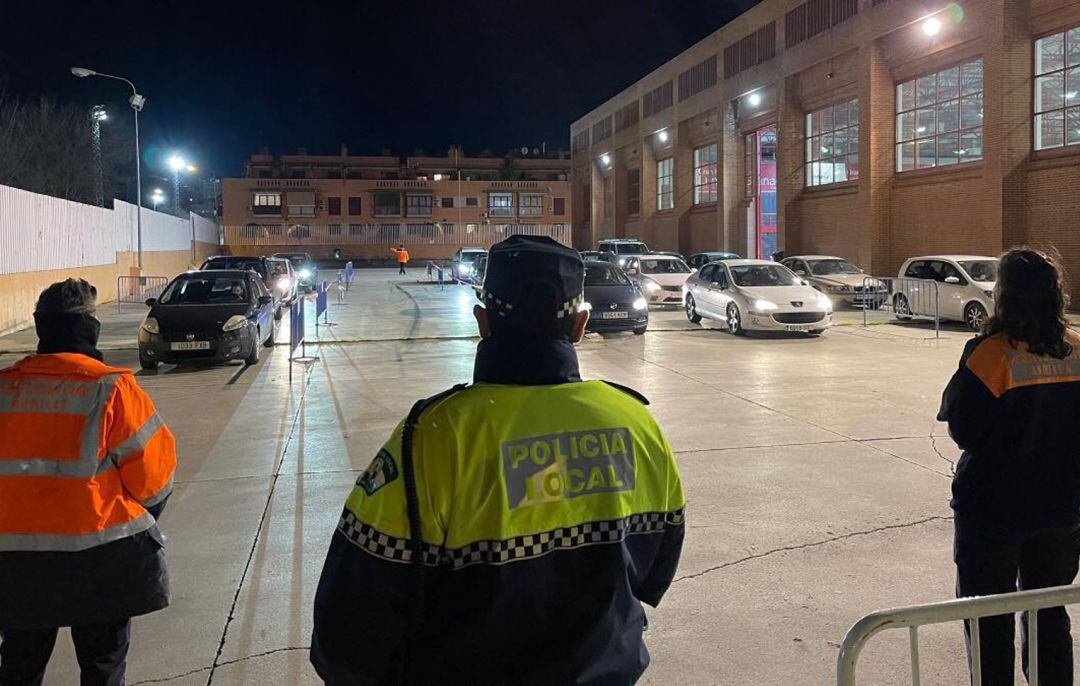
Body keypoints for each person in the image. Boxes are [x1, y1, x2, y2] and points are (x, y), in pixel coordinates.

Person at [311, 235, 685, 684]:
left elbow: (352, 619)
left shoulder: (433, 437)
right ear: (580, 326)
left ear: (482, 321)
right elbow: (655, 569)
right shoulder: (636, 424)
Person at [0, 278, 177, 685]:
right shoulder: (111, 389)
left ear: (42, 326)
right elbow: (154, 483)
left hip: (16, 565)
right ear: (89, 327)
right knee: (102, 667)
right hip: (101, 562)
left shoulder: (6, 389)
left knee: (19, 667)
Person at [939, 248, 1080, 685]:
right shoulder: (1077, 350)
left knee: (987, 618)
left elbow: (964, 430)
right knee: (1048, 615)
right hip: (1061, 512)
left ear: (1006, 296)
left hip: (993, 514)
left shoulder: (990, 354)